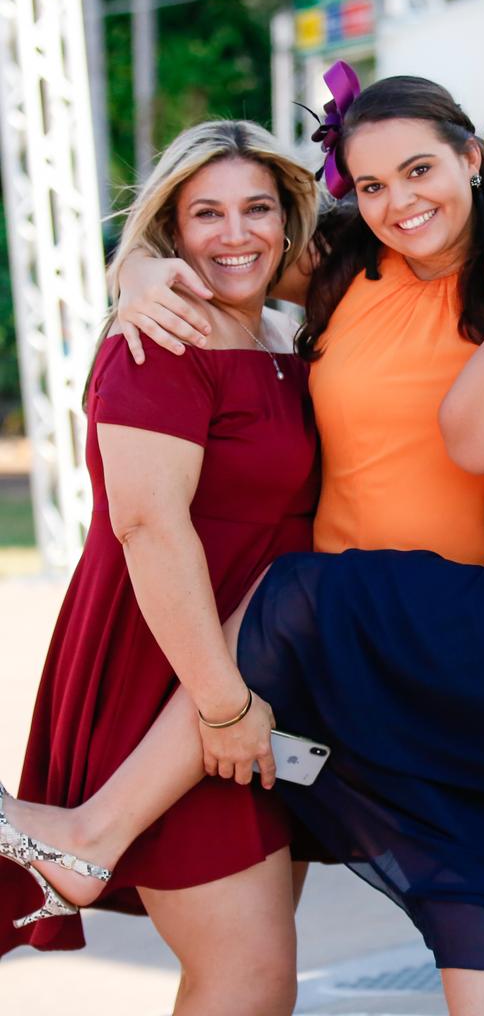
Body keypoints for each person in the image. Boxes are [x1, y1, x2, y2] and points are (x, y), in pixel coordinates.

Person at [2, 69, 484, 1015]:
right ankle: (91, 837)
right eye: (369, 186)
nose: (399, 204)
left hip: (470, 647)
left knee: (470, 873)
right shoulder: (342, 271)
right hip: (362, 660)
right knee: (479, 894)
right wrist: (140, 268)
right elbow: (227, 250)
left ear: (473, 161)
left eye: (419, 171)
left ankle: (89, 836)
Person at [0, 120, 320, 1016]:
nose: (235, 234)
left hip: (260, 674)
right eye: (204, 213)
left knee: (252, 976)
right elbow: (146, 525)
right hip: (176, 679)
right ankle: (66, 840)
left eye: (257, 208)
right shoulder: (161, 341)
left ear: (288, 222)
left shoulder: (285, 336)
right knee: (247, 981)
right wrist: (222, 703)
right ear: (170, 232)